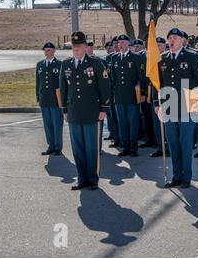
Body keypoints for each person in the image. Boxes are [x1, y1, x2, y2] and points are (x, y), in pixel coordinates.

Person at [153, 28, 198, 189]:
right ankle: (176, 175)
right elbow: (157, 84)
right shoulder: (162, 59)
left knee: (185, 143)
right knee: (173, 144)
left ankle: (186, 177)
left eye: (175, 38)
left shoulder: (191, 56)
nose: (171, 41)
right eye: (169, 38)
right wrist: (157, 104)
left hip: (187, 107)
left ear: (182, 40)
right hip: (168, 108)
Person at [59, 31, 111, 191]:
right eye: (74, 46)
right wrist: (65, 111)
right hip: (74, 113)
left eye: (79, 45)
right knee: (78, 148)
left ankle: (92, 179)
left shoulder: (95, 63)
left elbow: (105, 87)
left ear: (84, 46)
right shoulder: (66, 64)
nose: (76, 48)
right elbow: (63, 89)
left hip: (92, 113)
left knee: (91, 148)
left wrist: (104, 108)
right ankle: (81, 178)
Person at [110, 34, 145, 157]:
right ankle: (125, 147)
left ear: (128, 44)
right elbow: (113, 78)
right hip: (119, 97)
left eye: (123, 42)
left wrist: (143, 94)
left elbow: (141, 77)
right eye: (118, 43)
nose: (120, 45)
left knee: (133, 123)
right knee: (122, 123)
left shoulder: (135, 57)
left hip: (132, 96)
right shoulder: (114, 58)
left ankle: (133, 148)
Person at [36, 42, 63, 156]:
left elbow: (63, 84)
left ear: (54, 51)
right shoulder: (40, 65)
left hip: (56, 99)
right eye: (45, 50)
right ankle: (50, 146)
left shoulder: (60, 64)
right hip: (44, 99)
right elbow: (38, 83)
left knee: (57, 124)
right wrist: (38, 97)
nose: (47, 52)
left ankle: (58, 147)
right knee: (47, 124)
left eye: (49, 50)